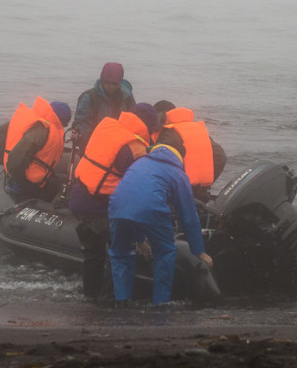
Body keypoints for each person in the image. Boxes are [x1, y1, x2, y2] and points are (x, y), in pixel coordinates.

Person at [107, 135, 213, 305]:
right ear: (179, 155)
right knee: (165, 252)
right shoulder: (178, 173)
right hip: (151, 209)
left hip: (116, 207)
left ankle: (122, 301)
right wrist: (199, 250)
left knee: (121, 254)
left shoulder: (139, 163)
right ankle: (160, 305)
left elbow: (133, 200)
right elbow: (188, 216)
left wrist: (141, 241)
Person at [69, 103, 159, 299]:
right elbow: (138, 192)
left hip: (78, 199)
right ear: (149, 126)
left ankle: (91, 297)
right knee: (121, 252)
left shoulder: (107, 126)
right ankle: (110, 303)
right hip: (98, 207)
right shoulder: (134, 148)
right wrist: (142, 236)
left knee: (93, 255)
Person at [0, 97, 72, 202]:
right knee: (55, 192)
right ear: (60, 120)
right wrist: (18, 178)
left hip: (18, 173)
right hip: (23, 182)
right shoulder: (42, 130)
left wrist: (3, 160)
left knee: (55, 183)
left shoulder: (33, 121)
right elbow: (19, 154)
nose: (63, 126)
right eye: (64, 123)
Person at [152, 100, 227, 200]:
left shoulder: (168, 134)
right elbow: (220, 155)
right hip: (201, 188)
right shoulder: (195, 128)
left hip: (183, 191)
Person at [72, 62, 136, 150]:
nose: (111, 87)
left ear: (120, 82)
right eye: (107, 83)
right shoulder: (89, 97)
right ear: (102, 80)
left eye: (114, 84)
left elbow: (132, 121)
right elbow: (82, 123)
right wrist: (86, 145)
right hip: (93, 143)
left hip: (119, 143)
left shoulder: (127, 97)